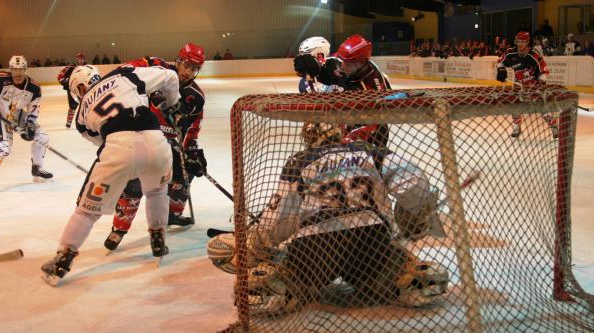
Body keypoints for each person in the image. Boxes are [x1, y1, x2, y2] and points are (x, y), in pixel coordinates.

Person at [206, 123, 448, 315]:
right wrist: (414, 216)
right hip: (371, 242)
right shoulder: (372, 151)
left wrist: (257, 246)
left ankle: (277, 287)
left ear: (309, 138)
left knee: (289, 274)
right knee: (390, 265)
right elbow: (414, 180)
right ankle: (409, 279)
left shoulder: (301, 161)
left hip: (317, 249)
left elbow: (280, 219)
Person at [40, 64, 180, 286]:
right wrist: (170, 104)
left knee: (87, 211)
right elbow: (170, 76)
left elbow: (100, 141)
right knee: (157, 191)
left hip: (118, 147)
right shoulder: (125, 74)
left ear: (78, 88)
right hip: (157, 141)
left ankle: (63, 258)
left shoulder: (81, 115)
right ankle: (157, 237)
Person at [102, 43, 207, 251]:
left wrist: (191, 150)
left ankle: (170, 215)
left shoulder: (196, 97)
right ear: (178, 60)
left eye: (194, 68)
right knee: (133, 186)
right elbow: (127, 71)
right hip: (141, 136)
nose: (188, 72)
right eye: (186, 65)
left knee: (184, 176)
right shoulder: (157, 71)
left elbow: (193, 126)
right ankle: (119, 229)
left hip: (168, 145)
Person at [0, 55, 53, 192]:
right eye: (15, 69)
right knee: (5, 146)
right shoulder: (0, 78)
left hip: (15, 114)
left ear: (25, 69)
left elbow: (34, 109)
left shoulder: (34, 88)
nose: (18, 73)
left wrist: (29, 124)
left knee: (42, 136)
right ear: (10, 69)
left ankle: (37, 169)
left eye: (21, 69)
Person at [496, 31, 557, 139]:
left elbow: (543, 70)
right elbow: (500, 61)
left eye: (523, 42)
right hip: (519, 85)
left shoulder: (534, 55)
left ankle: (554, 127)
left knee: (543, 109)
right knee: (515, 106)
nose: (520, 44)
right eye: (518, 41)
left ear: (527, 42)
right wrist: (501, 71)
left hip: (534, 86)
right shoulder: (510, 53)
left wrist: (541, 82)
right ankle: (516, 127)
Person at [57, 52, 87, 129]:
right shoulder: (70, 67)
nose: (80, 61)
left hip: (85, 90)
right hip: (72, 91)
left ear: (84, 59)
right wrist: (67, 83)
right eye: (79, 59)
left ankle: (85, 122)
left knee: (86, 106)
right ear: (76, 59)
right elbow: (60, 76)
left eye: (82, 59)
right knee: (72, 107)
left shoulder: (87, 67)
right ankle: (69, 122)